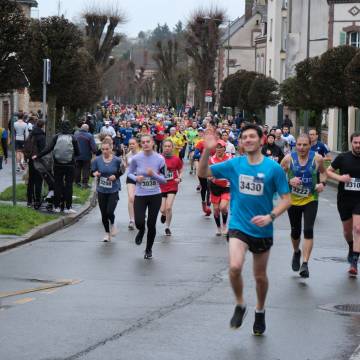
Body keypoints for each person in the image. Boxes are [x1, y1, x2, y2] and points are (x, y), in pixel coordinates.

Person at [197, 124, 291, 336]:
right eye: (244, 137)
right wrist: (206, 150)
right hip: (238, 224)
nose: (248, 140)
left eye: (252, 136)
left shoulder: (273, 169)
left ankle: (260, 309)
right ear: (240, 143)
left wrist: (271, 216)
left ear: (261, 139)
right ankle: (240, 304)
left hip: (262, 229)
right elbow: (203, 172)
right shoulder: (234, 164)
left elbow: (287, 200)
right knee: (235, 267)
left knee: (260, 276)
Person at [281, 134, 327, 278]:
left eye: (304, 145)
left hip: (310, 199)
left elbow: (324, 173)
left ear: (310, 145)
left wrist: (322, 184)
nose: (301, 148)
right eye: (299, 145)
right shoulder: (288, 159)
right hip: (293, 201)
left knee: (308, 229)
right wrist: (289, 180)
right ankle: (296, 252)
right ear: (296, 145)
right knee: (295, 232)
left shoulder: (317, 158)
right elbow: (277, 176)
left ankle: (305, 264)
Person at [127, 134, 166, 259]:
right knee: (139, 221)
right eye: (143, 142)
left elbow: (164, 180)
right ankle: (141, 230)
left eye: (148, 141)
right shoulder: (136, 158)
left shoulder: (160, 159)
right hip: (140, 194)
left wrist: (153, 175)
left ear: (153, 142)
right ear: (141, 144)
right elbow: (129, 173)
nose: (145, 144)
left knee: (151, 223)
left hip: (155, 195)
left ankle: (148, 249)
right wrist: (136, 178)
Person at [327, 132, 360, 276]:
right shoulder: (343, 157)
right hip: (345, 199)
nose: (358, 145)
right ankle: (352, 246)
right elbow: (328, 171)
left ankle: (354, 262)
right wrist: (340, 177)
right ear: (351, 143)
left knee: (358, 228)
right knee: (347, 232)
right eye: (356, 143)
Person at [34, 121, 80, 214]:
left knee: (57, 185)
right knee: (68, 185)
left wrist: (38, 156)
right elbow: (78, 153)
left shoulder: (56, 137)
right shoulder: (73, 138)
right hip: (70, 165)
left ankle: (56, 206)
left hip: (57, 165)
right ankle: (68, 207)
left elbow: (48, 149)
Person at [92, 139, 124, 242]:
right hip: (101, 189)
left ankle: (113, 224)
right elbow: (92, 171)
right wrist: (95, 173)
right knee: (103, 213)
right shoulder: (97, 160)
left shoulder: (117, 160)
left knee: (110, 211)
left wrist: (116, 175)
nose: (105, 151)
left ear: (111, 149)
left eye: (107, 149)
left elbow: (122, 170)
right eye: (103, 149)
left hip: (113, 189)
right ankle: (106, 233)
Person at [160, 139, 183, 236]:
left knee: (168, 207)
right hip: (161, 185)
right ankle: (164, 214)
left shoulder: (176, 159)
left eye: (169, 146)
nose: (167, 148)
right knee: (162, 209)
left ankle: (167, 227)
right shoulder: (159, 158)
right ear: (162, 147)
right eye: (165, 146)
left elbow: (180, 170)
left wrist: (179, 178)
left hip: (172, 185)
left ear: (172, 148)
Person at [208, 139, 231, 236]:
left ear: (224, 148)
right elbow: (208, 172)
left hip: (226, 186)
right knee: (216, 209)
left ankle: (225, 226)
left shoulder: (229, 158)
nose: (218, 149)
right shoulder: (211, 159)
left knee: (223, 207)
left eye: (220, 147)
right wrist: (209, 176)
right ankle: (218, 228)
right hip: (215, 186)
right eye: (217, 147)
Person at [26, 120, 46, 209]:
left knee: (31, 181)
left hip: (30, 160)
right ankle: (37, 200)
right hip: (38, 160)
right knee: (38, 180)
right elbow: (43, 150)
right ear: (42, 126)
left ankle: (29, 201)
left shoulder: (31, 134)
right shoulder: (41, 136)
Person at [74, 124, 97, 189]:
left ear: (81, 128)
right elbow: (94, 147)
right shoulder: (89, 136)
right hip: (86, 156)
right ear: (87, 129)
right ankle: (85, 183)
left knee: (77, 168)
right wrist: (95, 152)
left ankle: (77, 182)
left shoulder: (75, 134)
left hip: (77, 155)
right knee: (86, 170)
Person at [125, 138, 140, 230]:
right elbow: (127, 166)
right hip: (130, 178)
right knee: (131, 198)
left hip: (141, 179)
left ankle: (141, 213)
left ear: (137, 144)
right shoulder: (127, 155)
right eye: (130, 144)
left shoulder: (142, 155)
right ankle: (132, 220)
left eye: (133, 144)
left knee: (139, 199)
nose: (131, 145)